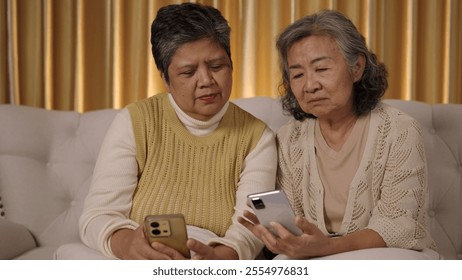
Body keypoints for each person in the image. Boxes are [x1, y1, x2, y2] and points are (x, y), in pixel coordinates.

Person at [79, 2, 277, 260]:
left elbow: (250, 225)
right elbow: (97, 216)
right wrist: (127, 244)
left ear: (231, 64)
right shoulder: (135, 121)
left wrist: (221, 257)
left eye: (217, 66)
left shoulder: (257, 137)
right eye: (188, 72)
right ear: (165, 79)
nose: (206, 81)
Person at [238, 9, 437, 259]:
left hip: (391, 255)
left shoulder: (399, 130)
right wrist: (279, 239)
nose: (310, 85)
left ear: (357, 68)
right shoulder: (290, 139)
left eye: (321, 69)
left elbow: (399, 226)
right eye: (297, 74)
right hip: (315, 259)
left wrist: (329, 248)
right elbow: (294, 225)